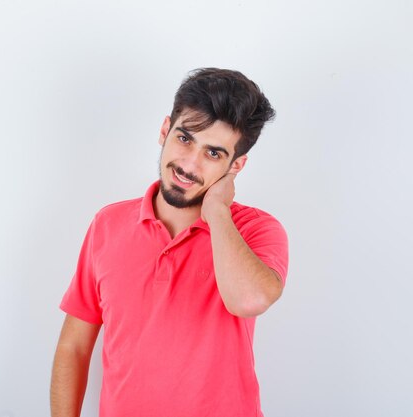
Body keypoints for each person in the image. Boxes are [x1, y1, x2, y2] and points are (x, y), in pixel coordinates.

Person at [50, 68, 289, 417]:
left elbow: (249, 299)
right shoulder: (108, 224)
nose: (189, 164)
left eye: (214, 154)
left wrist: (218, 212)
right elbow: (73, 346)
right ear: (165, 130)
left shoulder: (257, 230)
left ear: (236, 165)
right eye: (186, 138)